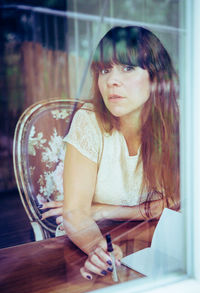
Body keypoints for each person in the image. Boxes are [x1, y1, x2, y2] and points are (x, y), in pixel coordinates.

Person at [40, 26, 180, 280]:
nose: (112, 81)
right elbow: (75, 214)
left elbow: (177, 203)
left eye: (127, 68)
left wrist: (105, 209)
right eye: (105, 70)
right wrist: (99, 250)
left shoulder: (177, 121)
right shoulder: (88, 120)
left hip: (156, 240)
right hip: (91, 241)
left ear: (156, 77)